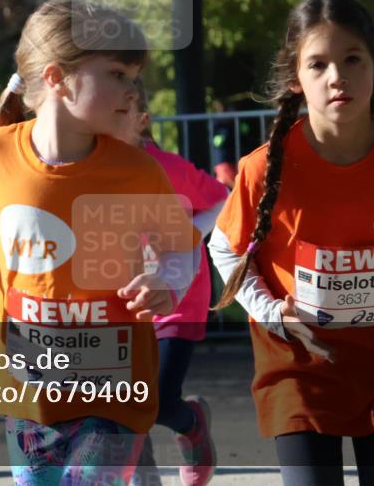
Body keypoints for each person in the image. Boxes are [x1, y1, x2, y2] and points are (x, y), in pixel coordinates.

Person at [0, 0, 202, 485]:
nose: (132, 89)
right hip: (29, 392)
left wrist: (167, 281)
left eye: (133, 75)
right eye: (118, 73)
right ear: (58, 78)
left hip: (115, 391)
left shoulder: (137, 170)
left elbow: (182, 246)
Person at [209, 0, 374, 485]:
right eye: (318, 64)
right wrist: (270, 311)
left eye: (352, 59)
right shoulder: (263, 168)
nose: (337, 76)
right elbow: (224, 248)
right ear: (296, 79)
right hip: (299, 368)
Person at [114, 77, 227, 486]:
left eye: (119, 114)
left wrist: (191, 235)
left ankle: (192, 422)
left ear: (141, 121)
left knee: (157, 401)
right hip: (123, 302)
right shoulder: (91, 168)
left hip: (179, 298)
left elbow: (222, 199)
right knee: (124, 400)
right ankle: (144, 477)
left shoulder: (170, 169)